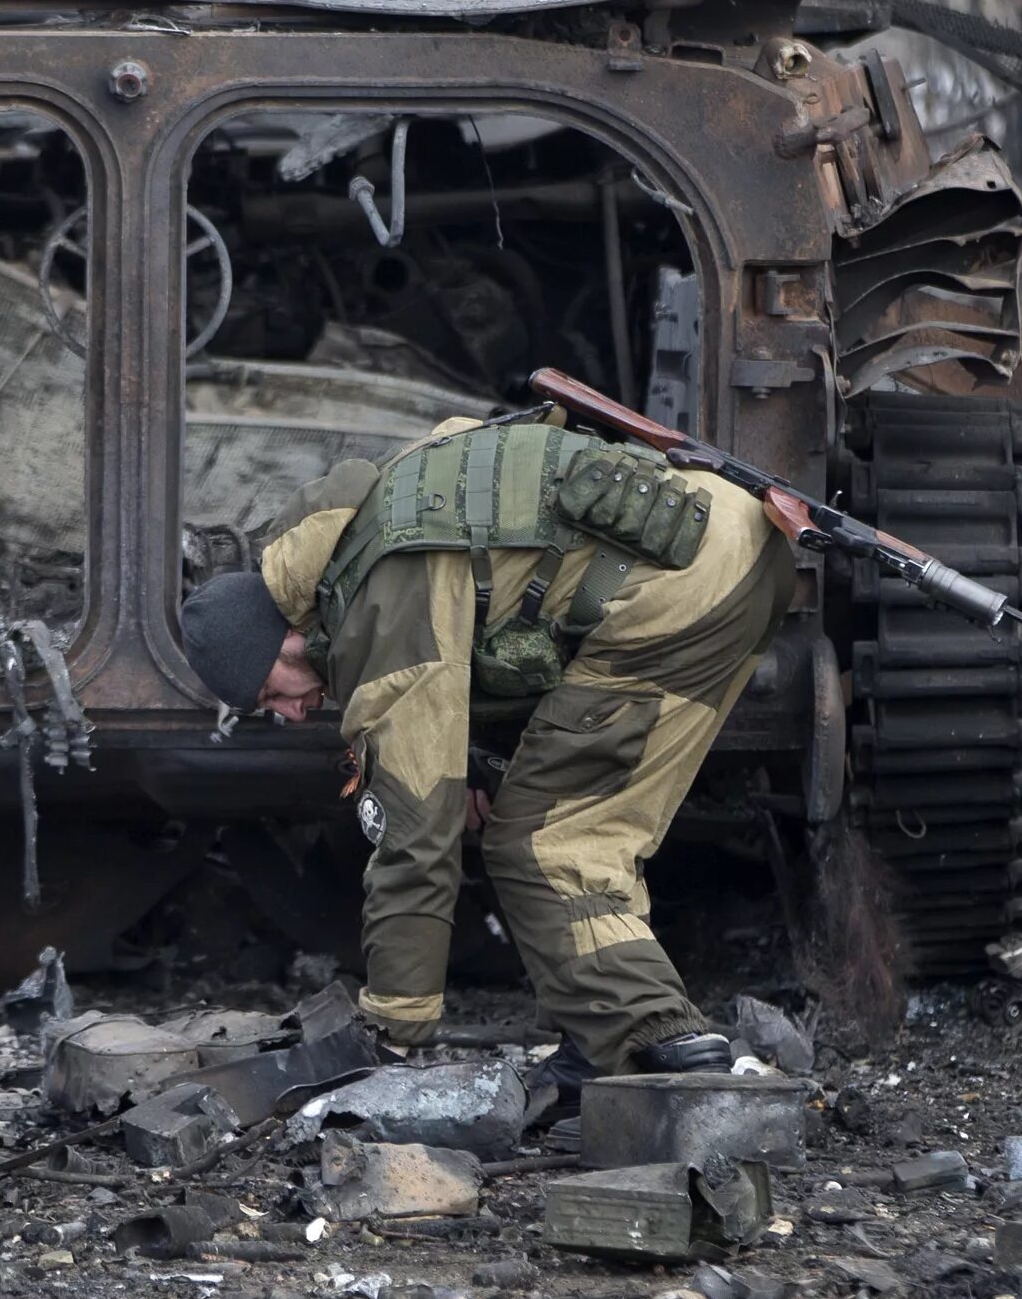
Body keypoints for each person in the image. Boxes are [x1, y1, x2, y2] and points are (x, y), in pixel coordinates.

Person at [180, 405, 795, 1116]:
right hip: (739, 544)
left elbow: (414, 833)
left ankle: (665, 1044)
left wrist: (392, 1025)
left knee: (548, 840)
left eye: (269, 695)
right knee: (580, 827)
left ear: (284, 642)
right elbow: (509, 600)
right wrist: (477, 763)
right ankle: (606, 1049)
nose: (287, 714)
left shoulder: (375, 606)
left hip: (676, 592)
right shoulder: (377, 522)